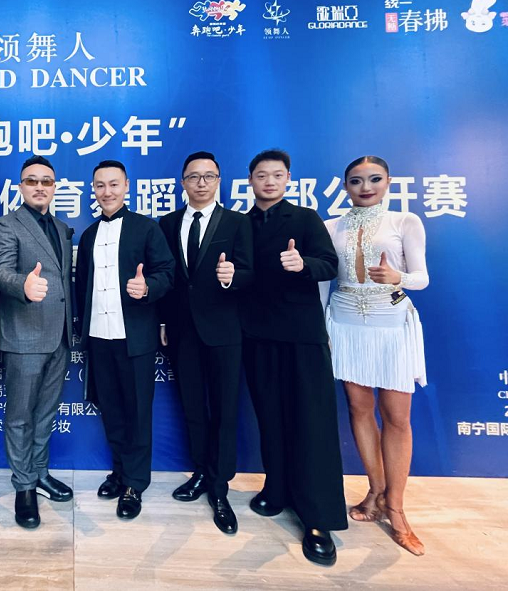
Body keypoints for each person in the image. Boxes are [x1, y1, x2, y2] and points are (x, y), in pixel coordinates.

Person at [240, 149, 347, 566]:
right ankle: (277, 488)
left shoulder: (304, 219)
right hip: (257, 335)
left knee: (311, 423)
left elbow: (329, 265)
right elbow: (240, 273)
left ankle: (318, 518)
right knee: (270, 417)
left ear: (288, 179)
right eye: (261, 175)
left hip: (302, 336)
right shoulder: (241, 224)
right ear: (250, 180)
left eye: (277, 175)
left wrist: (302, 264)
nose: (269, 181)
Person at [323, 156, 428, 556]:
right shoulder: (331, 227)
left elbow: (422, 278)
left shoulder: (405, 221)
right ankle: (376, 492)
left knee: (397, 417)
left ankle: (396, 509)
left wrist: (399, 277)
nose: (365, 187)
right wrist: (321, 326)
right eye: (356, 181)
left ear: (387, 182)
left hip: (391, 321)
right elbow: (323, 282)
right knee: (359, 409)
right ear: (345, 186)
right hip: (345, 322)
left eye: (374, 179)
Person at [157, 151, 254, 534]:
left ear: (218, 180)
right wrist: (163, 320)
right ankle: (200, 471)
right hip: (182, 331)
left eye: (208, 176)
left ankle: (219, 486)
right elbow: (167, 278)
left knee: (225, 410)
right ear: (182, 182)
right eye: (193, 176)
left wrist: (233, 277)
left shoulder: (238, 222)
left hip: (224, 332)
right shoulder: (167, 223)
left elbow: (251, 273)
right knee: (193, 407)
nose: (201, 183)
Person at [75, 160, 174, 520]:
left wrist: (147, 288)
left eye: (114, 184)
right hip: (99, 337)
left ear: (127, 186)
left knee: (137, 413)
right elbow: (81, 286)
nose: (107, 192)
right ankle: (119, 472)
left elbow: (167, 273)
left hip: (135, 338)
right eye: (100, 185)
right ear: (93, 189)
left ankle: (135, 483)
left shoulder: (147, 228)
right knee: (112, 409)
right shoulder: (88, 235)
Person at [0, 156, 75, 529]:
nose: (40, 187)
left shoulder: (62, 228)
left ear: (55, 187)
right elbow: (0, 272)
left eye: (46, 181)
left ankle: (39, 473)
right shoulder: (7, 225)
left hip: (60, 337)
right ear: (21, 187)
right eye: (32, 181)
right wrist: (22, 285)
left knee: (45, 414)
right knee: (20, 416)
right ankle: (23, 485)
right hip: (24, 334)